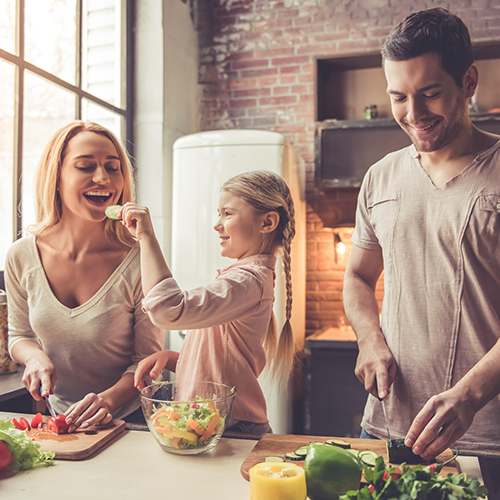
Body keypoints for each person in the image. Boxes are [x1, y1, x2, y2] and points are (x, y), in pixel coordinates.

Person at [343, 7, 500, 460]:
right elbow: (357, 277)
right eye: (398, 97)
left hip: (489, 435)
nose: (414, 114)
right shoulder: (380, 177)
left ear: (468, 82)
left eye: (430, 93)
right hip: (392, 424)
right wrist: (369, 339)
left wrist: (469, 396)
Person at [5, 121, 163, 432]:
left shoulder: (139, 260)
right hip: (61, 419)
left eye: (113, 167)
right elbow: (19, 336)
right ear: (57, 177)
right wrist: (35, 357)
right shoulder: (21, 256)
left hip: (134, 422)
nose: (103, 178)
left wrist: (107, 401)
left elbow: (149, 361)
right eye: (86, 166)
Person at [122, 170, 296, 436]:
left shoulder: (248, 281)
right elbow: (220, 363)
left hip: (233, 429)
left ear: (267, 222)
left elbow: (168, 310)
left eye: (228, 214)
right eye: (219, 213)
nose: (217, 224)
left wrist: (146, 237)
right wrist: (172, 359)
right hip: (216, 425)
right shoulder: (245, 279)